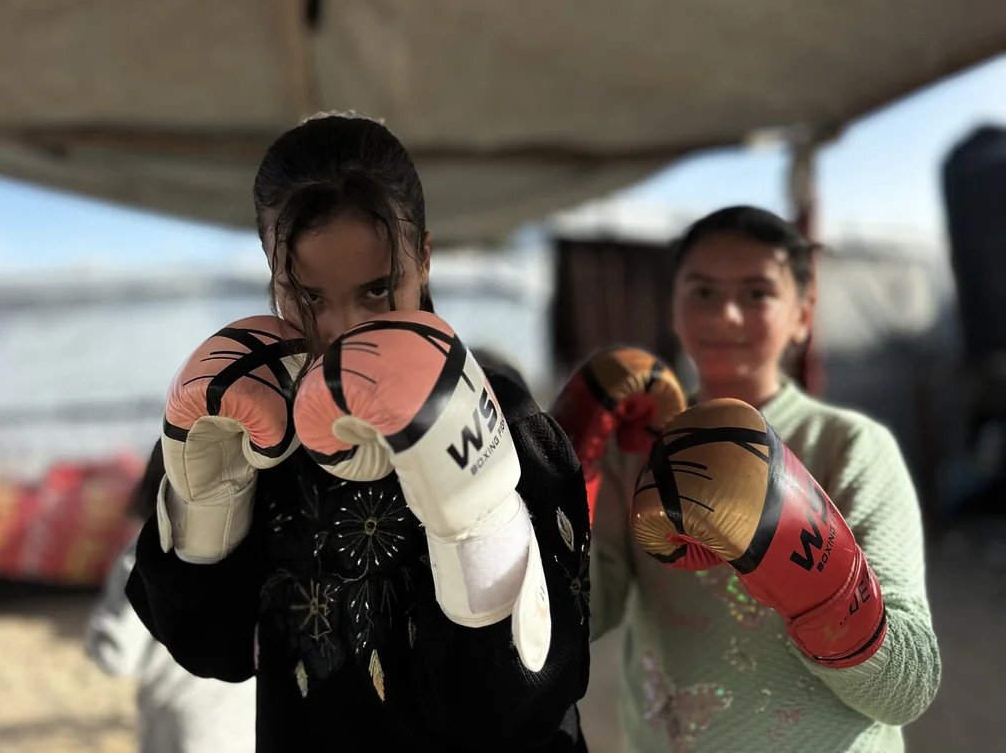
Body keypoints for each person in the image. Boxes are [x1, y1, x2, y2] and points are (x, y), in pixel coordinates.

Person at [124, 111, 591, 752]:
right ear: (271, 271)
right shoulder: (255, 417)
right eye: (308, 296)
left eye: (377, 289)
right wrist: (200, 504)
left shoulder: (507, 419)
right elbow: (210, 650)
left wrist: (480, 522)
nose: (344, 327)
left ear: (422, 258)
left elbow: (530, 704)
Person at [562, 206, 941, 752]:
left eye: (758, 293)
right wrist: (569, 485)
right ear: (674, 307)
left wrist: (821, 583)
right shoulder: (637, 450)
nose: (728, 316)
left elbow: (909, 686)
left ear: (803, 314)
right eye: (703, 292)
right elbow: (580, 621)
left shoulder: (852, 447)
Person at [85, 441, 256, 753]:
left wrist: (96, 637)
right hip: (247, 726)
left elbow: (117, 655)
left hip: (179, 730)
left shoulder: (143, 555)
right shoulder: (251, 546)